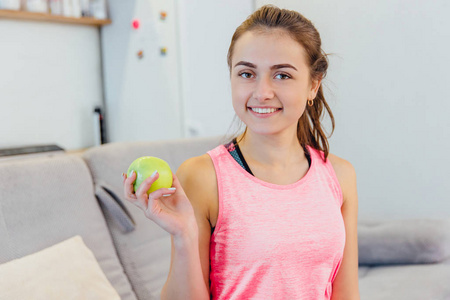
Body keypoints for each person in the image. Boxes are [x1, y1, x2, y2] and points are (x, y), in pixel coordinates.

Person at [123, 5, 360, 300]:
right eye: (247, 73)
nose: (262, 92)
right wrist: (183, 236)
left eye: (282, 76)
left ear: (313, 85)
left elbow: (347, 294)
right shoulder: (201, 176)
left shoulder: (339, 175)